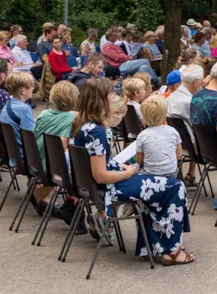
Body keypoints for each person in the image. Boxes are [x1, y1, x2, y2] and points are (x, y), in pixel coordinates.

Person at [71, 78, 192, 265]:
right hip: (110, 188)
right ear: (101, 100)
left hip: (101, 185)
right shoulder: (97, 132)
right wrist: (129, 172)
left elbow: (98, 166)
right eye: (111, 93)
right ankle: (172, 250)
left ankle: (153, 245)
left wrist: (122, 167)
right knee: (176, 186)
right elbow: (100, 175)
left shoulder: (85, 124)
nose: (115, 96)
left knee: (156, 185)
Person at [167, 65, 204, 187]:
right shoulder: (190, 101)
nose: (202, 85)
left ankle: (190, 173)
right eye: (201, 82)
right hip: (193, 146)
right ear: (196, 82)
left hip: (178, 143)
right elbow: (199, 127)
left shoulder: (171, 97)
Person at [33, 81, 79, 171]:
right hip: (52, 167)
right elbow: (62, 146)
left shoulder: (43, 113)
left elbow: (33, 135)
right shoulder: (71, 120)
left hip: (36, 161)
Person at [135, 95, 183, 177]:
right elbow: (179, 156)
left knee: (134, 168)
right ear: (164, 114)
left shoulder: (142, 136)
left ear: (144, 116)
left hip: (150, 174)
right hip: (171, 173)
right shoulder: (173, 131)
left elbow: (139, 161)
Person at [0, 72, 37, 163]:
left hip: (13, 155)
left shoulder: (8, 104)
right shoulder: (24, 109)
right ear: (23, 91)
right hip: (26, 158)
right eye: (31, 86)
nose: (33, 88)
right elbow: (31, 136)